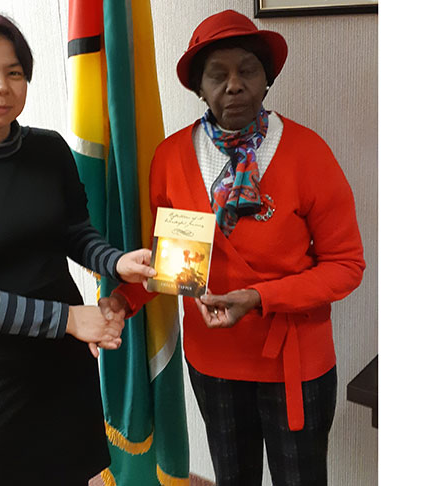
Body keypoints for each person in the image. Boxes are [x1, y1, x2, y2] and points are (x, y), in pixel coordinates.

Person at [99, 9, 366, 486]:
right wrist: (122, 301)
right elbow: (175, 263)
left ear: (267, 81)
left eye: (248, 70)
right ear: (199, 88)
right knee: (232, 477)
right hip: (215, 361)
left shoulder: (309, 153)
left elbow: (346, 266)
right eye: (217, 75)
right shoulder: (172, 157)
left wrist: (260, 298)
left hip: (294, 362)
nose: (234, 85)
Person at [0, 13, 155, 485]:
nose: (1, 85)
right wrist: (69, 319)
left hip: (63, 360)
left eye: (15, 71)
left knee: (69, 473)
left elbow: (74, 231)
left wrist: (115, 261)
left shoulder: (49, 149)